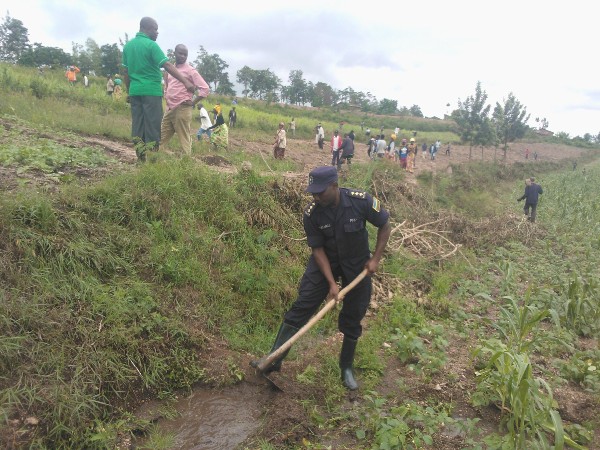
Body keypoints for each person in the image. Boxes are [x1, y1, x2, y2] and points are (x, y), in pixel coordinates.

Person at [251, 166, 391, 390]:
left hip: (357, 265)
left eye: (320, 192)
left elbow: (384, 224)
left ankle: (346, 369)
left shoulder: (361, 201)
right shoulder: (312, 213)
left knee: (353, 315)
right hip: (324, 262)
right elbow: (317, 249)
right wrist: (330, 283)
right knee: (303, 304)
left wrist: (375, 259)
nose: (316, 196)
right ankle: (274, 359)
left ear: (334, 186)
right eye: (313, 192)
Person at [122, 17, 195, 161]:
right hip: (151, 92)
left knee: (138, 125)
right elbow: (167, 65)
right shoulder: (151, 46)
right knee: (153, 126)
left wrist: (129, 91)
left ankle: (141, 158)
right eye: (155, 29)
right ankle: (152, 159)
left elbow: (126, 73)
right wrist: (185, 81)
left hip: (135, 92)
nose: (157, 32)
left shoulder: (128, 46)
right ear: (146, 28)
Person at [159, 44, 210, 155]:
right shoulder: (170, 70)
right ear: (174, 53)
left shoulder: (190, 71)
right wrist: (166, 95)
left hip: (182, 108)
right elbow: (167, 86)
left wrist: (193, 102)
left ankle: (187, 161)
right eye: (180, 53)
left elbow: (205, 89)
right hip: (169, 108)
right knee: (161, 137)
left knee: (184, 138)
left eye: (185, 54)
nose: (182, 56)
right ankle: (156, 157)